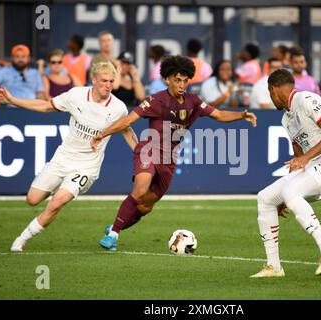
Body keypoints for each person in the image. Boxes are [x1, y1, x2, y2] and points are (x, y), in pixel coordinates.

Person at [90, 55, 257, 251]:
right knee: (140, 190)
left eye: (185, 80)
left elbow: (219, 115)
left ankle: (115, 227)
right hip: (149, 151)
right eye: (177, 79)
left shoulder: (193, 101)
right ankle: (113, 235)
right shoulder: (155, 100)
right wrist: (102, 134)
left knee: (145, 206)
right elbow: (127, 121)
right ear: (167, 79)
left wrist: (241, 114)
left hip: (169, 159)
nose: (182, 84)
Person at [0, 62, 138, 252]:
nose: (108, 85)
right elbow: (46, 106)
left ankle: (20, 241)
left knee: (57, 202)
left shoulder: (118, 108)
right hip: (62, 159)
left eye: (111, 81)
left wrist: (142, 155)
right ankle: (58, 193)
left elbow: (127, 131)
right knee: (32, 199)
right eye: (104, 80)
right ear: (93, 80)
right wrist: (13, 100)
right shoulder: (76, 95)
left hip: (86, 167)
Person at [251, 69, 321, 278]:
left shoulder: (307, 99)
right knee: (266, 198)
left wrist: (306, 158)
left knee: (291, 191)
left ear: (274, 89)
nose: (271, 99)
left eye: (270, 94)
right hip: (317, 168)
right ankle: (274, 266)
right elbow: (299, 159)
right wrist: (283, 197)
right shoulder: (286, 119)